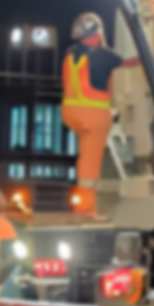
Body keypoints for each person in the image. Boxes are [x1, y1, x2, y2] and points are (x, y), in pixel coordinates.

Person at [61, 11, 123, 218]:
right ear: (97, 33)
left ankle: (84, 205)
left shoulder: (70, 54)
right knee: (90, 164)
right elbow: (126, 62)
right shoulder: (103, 56)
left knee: (84, 160)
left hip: (71, 113)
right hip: (93, 116)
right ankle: (86, 209)